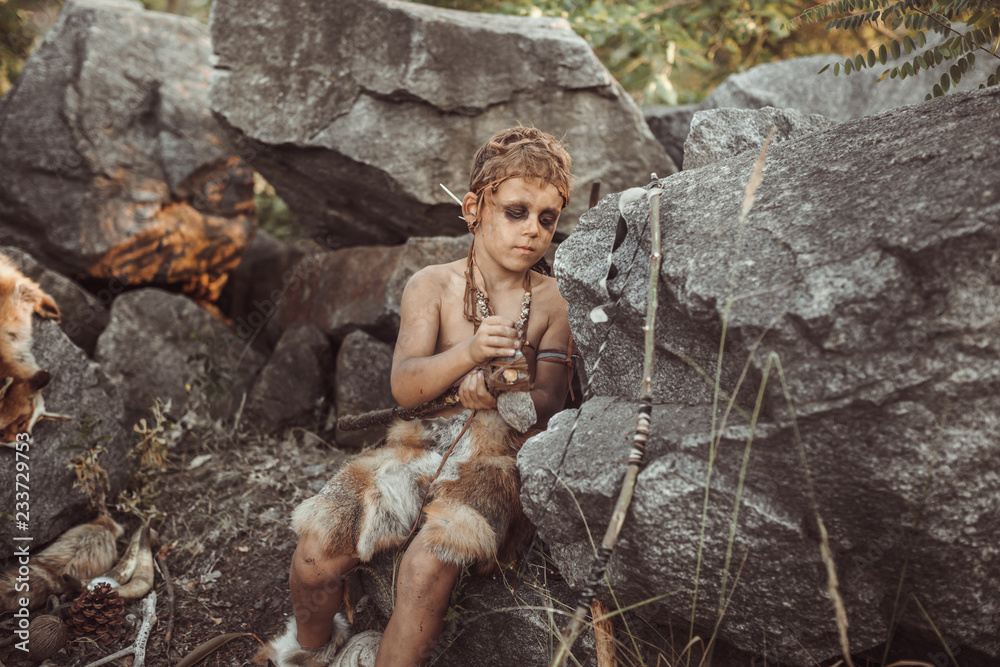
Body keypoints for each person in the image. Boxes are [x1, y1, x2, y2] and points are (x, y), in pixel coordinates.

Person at [257, 126, 574, 667]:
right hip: (419, 441)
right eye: (516, 211)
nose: (533, 231)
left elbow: (553, 401)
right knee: (315, 553)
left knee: (427, 566)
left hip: (499, 460)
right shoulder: (432, 284)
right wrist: (471, 354)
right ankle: (307, 652)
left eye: (547, 218)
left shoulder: (552, 300)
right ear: (474, 207)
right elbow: (405, 386)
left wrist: (506, 385)